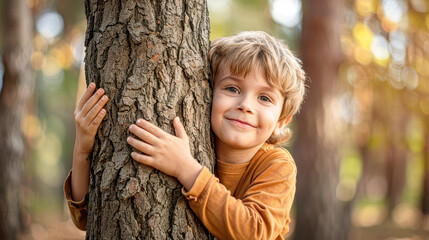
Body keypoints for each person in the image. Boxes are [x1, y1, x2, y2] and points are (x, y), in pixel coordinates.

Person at [64, 31, 306, 239]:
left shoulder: (277, 165)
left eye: (264, 98)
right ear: (205, 95)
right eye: (232, 88)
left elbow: (253, 231)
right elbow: (86, 219)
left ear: (281, 121)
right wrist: (83, 149)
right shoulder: (195, 138)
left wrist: (186, 168)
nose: (246, 105)